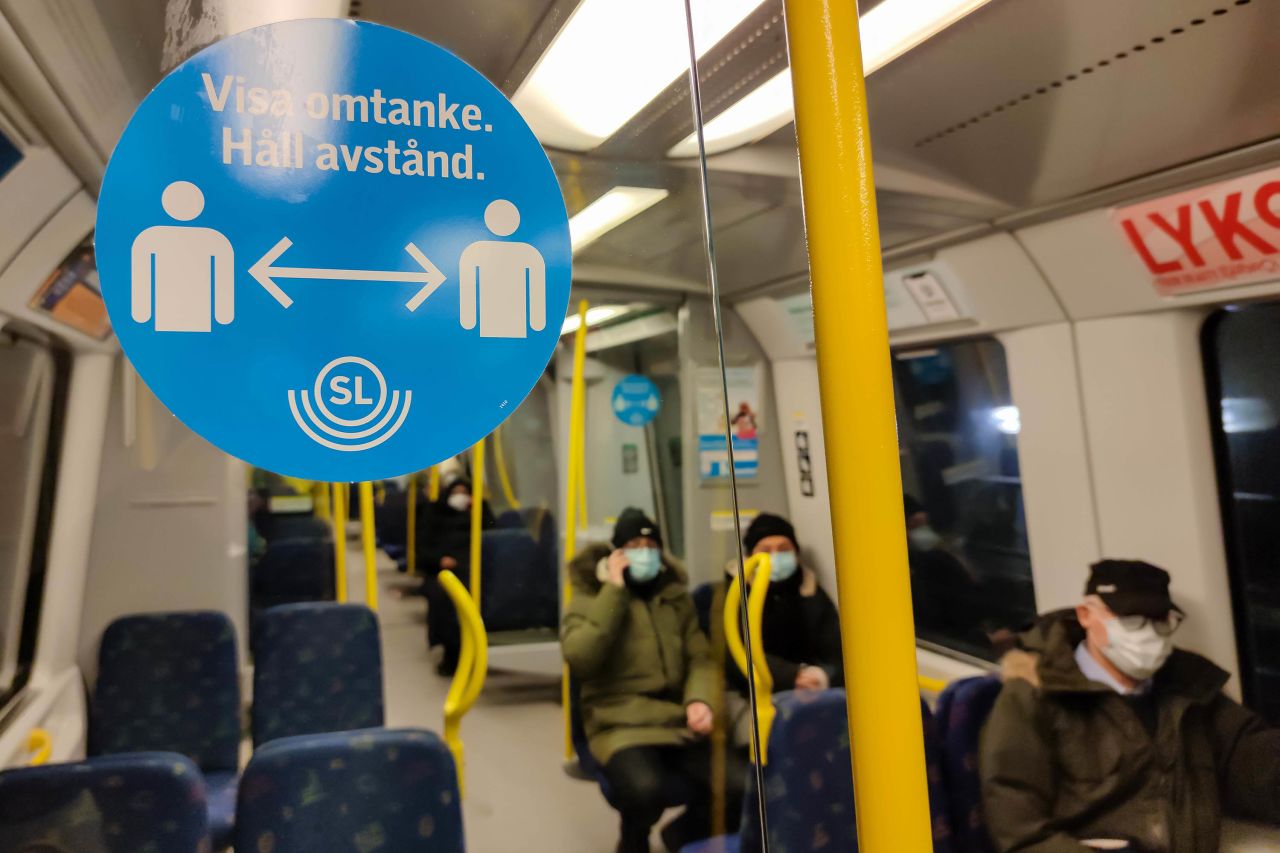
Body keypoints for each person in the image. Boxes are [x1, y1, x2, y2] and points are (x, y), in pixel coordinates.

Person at [980, 560, 1280, 852]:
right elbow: (1021, 834)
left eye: (1161, 622)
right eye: (1133, 621)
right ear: (1086, 615)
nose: (1149, 636)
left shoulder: (1190, 690)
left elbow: (1253, 759)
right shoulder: (1035, 698)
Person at [562, 508, 746, 853]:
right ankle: (633, 840)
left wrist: (699, 700)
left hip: (677, 718)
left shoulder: (675, 599)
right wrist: (614, 592)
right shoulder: (589, 600)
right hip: (619, 722)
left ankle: (682, 836)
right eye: (633, 544)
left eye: (650, 544)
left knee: (742, 786)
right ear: (615, 554)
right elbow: (582, 658)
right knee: (645, 790)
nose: (643, 551)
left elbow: (700, 659)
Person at [419, 475, 494, 675]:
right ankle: (452, 652)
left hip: (474, 568)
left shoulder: (480, 514)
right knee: (443, 599)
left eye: (465, 493)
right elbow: (423, 551)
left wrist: (478, 511)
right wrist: (440, 560)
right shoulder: (435, 514)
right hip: (443, 571)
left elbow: (492, 540)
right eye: (456, 493)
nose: (460, 497)